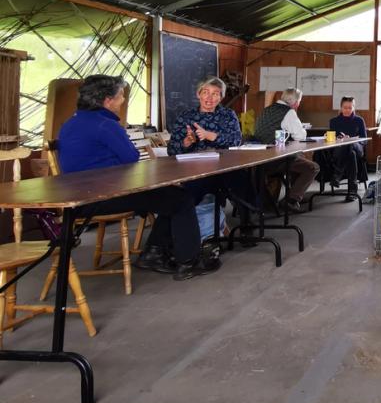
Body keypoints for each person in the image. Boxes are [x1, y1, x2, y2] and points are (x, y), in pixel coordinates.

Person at [58, 75, 216, 280]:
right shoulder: (106, 125)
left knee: (170, 196)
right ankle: (189, 261)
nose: (123, 100)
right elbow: (131, 158)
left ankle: (155, 253)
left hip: (78, 194)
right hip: (103, 196)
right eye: (121, 96)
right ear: (107, 100)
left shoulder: (71, 122)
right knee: (181, 199)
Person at [168, 75, 258, 215]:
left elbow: (236, 140)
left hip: (226, 167)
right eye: (205, 92)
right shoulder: (186, 117)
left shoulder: (228, 115)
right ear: (198, 94)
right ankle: (186, 227)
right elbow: (171, 150)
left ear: (221, 97)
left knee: (243, 182)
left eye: (215, 94)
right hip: (196, 171)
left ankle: (247, 223)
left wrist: (209, 135)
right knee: (188, 194)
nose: (209, 98)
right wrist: (186, 142)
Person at [255, 87, 320, 213]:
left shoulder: (266, 110)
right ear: (296, 102)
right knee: (313, 167)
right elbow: (300, 136)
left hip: (259, 158)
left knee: (298, 156)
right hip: (275, 159)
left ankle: (295, 196)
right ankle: (291, 200)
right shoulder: (289, 112)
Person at [325, 96, 368, 202]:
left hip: (357, 147)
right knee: (350, 153)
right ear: (341, 107)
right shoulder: (334, 121)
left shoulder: (359, 120)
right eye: (345, 107)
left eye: (350, 107)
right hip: (340, 150)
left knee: (351, 145)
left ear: (353, 107)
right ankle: (352, 192)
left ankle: (337, 175)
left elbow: (364, 139)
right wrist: (336, 138)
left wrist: (351, 140)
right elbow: (332, 138)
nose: (347, 110)